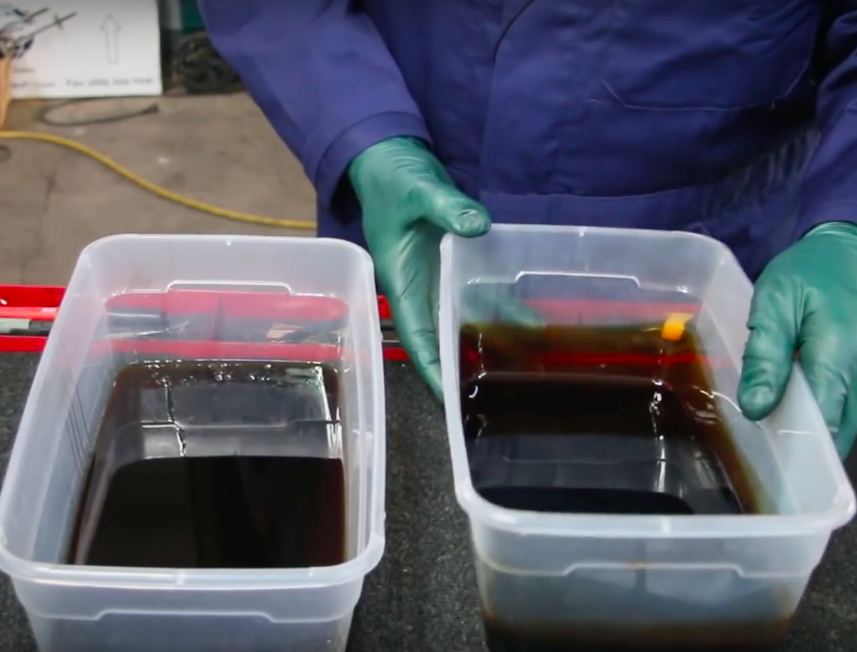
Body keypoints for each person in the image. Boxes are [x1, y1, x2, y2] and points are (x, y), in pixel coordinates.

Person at [198, 0, 857, 458]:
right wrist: (360, 131)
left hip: (709, 268)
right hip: (412, 226)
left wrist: (846, 223)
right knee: (397, 496)